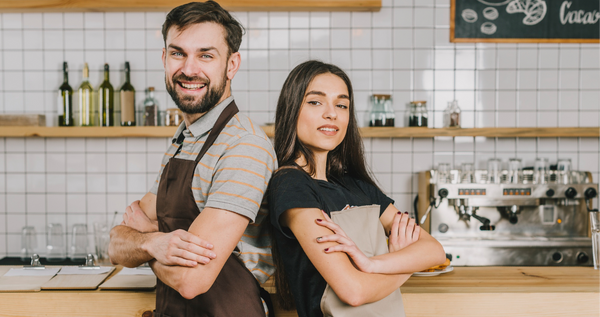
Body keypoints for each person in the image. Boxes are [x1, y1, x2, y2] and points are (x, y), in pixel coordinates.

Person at [108, 2, 276, 316]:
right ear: (164, 59)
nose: (189, 69)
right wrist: (153, 243)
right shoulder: (183, 138)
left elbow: (191, 278)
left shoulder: (243, 145)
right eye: (178, 53)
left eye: (206, 55)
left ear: (232, 65)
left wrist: (146, 239)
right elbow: (116, 242)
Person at [268, 60, 447, 317]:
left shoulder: (356, 185)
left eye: (342, 105)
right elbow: (353, 291)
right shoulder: (290, 184)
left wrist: (372, 265)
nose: (332, 113)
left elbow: (434, 250)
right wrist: (402, 265)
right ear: (292, 109)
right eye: (316, 102)